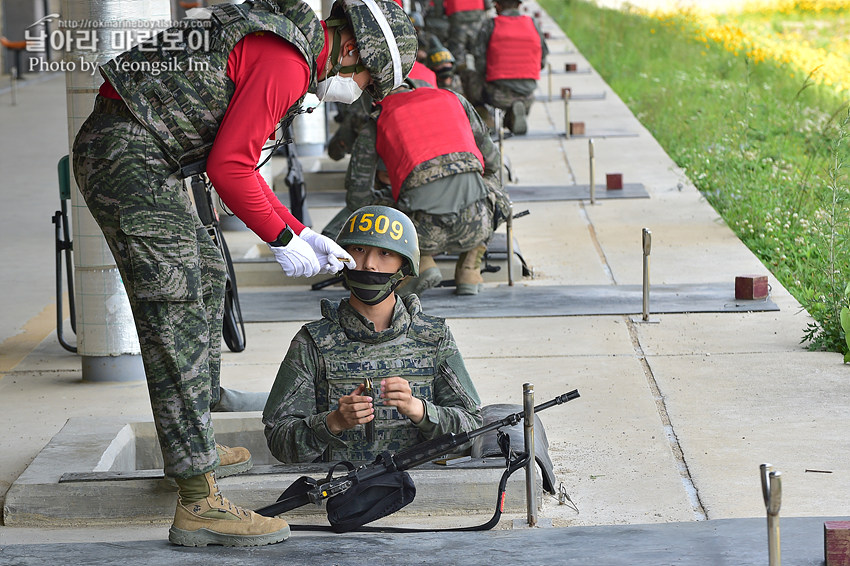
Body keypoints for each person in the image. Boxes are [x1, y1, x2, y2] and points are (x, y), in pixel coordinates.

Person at [72, 0, 416, 548]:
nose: (360, 91)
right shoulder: (286, 61)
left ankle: (196, 435)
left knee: (206, 271)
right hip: (128, 152)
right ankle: (198, 500)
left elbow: (237, 162)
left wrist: (300, 231)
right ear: (349, 50)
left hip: (141, 148)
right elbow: (229, 165)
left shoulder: (288, 44)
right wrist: (281, 239)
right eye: (367, 80)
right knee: (176, 303)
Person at [263, 206, 483, 464]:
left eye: (385, 253)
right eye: (358, 250)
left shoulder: (433, 337)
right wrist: (333, 422)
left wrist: (420, 410)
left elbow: (473, 429)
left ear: (404, 264)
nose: (369, 263)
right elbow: (279, 440)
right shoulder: (313, 342)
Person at [335, 80, 510, 296]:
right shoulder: (455, 100)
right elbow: (492, 162)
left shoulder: (377, 121)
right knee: (494, 187)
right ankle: (469, 270)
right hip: (476, 224)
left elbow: (357, 198)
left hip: (423, 234)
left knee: (375, 209)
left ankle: (421, 263)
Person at [463, 0, 548, 135]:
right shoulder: (533, 24)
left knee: (466, 75)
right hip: (528, 94)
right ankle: (514, 113)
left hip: (496, 95)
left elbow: (479, 62)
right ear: (519, 5)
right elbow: (542, 61)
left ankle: (484, 117)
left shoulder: (490, 25)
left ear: (497, 5)